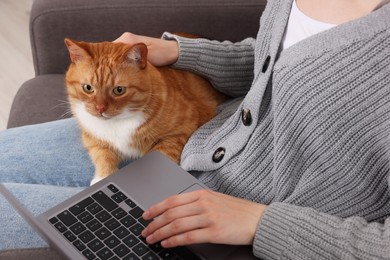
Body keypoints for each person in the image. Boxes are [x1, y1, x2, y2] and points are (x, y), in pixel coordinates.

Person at [1, 0, 390, 259]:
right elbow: (276, 62)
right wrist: (185, 52)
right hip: (204, 142)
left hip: (238, 229)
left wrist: (261, 223)